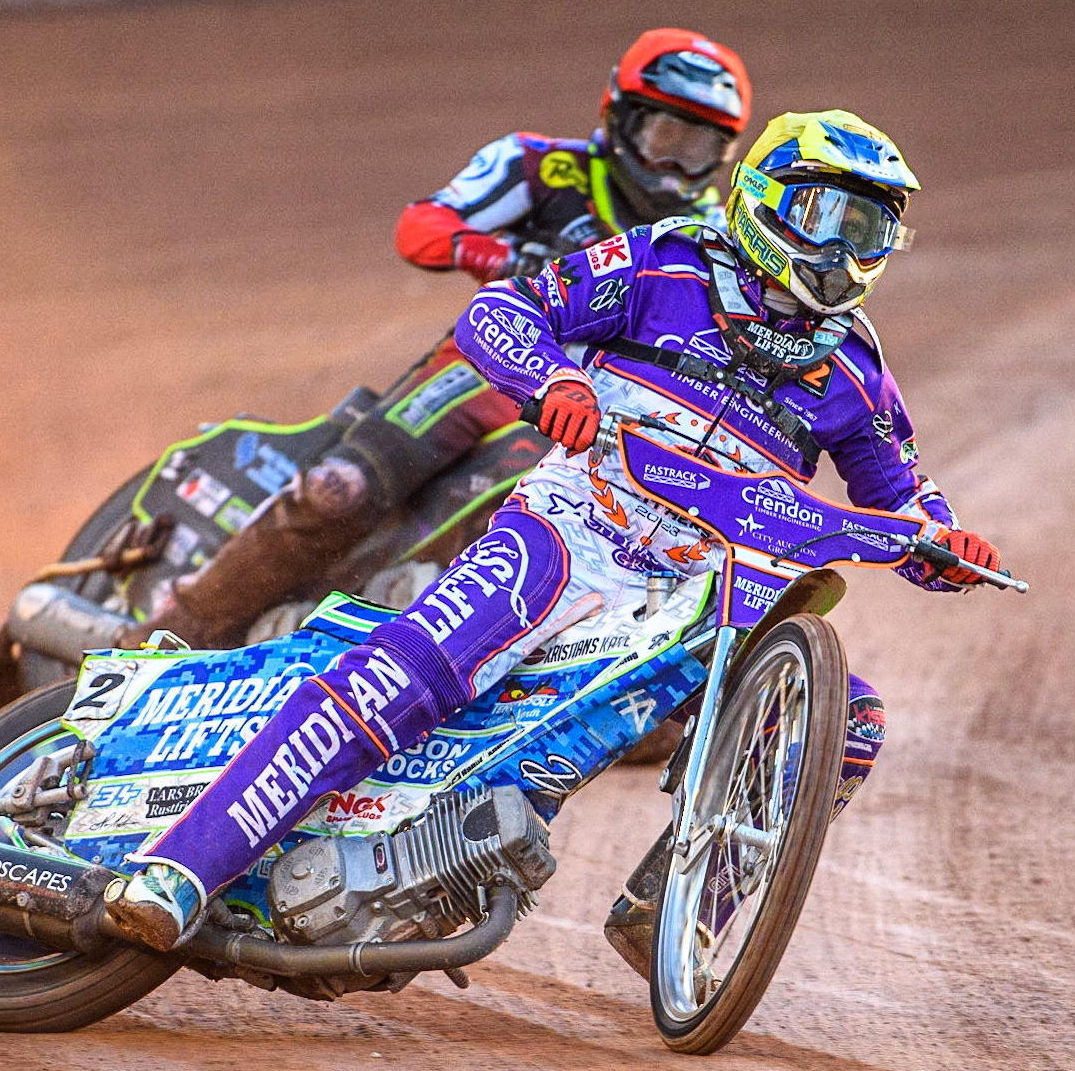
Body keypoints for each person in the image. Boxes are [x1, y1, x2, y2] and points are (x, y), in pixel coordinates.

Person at [106, 109, 1003, 953]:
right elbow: (503, 311)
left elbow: (902, 494)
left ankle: (674, 916)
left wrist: (949, 543)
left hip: (703, 587)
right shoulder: (664, 260)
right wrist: (554, 382)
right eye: (830, 216)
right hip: (576, 523)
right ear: (769, 196)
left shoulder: (855, 363)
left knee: (850, 720)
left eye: (872, 230)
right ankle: (181, 868)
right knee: (401, 675)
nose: (849, 251)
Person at [128, 28, 752, 650]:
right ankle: (157, 640)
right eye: (664, 137)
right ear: (619, 118)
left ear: (721, 157)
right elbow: (420, 227)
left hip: (606, 408)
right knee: (340, 488)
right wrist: (507, 257)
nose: (673, 165)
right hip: (488, 365)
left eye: (695, 148)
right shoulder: (540, 166)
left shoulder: (714, 239)